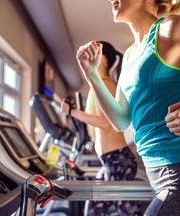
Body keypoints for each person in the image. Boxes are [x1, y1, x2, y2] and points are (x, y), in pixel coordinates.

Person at [75, 0, 180, 216]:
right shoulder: (130, 55)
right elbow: (121, 120)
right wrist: (91, 74)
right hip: (158, 177)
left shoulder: (173, 28)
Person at [61, 41, 142, 216]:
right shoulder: (100, 84)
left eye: (94, 50)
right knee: (94, 210)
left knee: (127, 210)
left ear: (102, 58)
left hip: (117, 160)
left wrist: (72, 112)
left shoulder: (105, 84)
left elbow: (105, 123)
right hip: (111, 161)